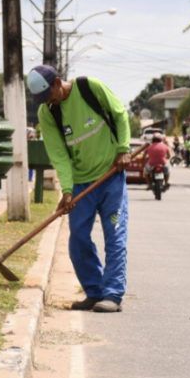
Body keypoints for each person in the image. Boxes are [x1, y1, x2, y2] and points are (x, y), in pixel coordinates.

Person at [26, 64, 131, 313]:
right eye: (42, 99)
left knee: (114, 235)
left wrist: (123, 149)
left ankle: (113, 294)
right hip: (82, 181)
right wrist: (68, 190)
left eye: (49, 95)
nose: (49, 101)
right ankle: (94, 292)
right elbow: (59, 154)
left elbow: (120, 114)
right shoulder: (48, 112)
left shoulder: (89, 87)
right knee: (78, 239)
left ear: (58, 82)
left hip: (111, 175)